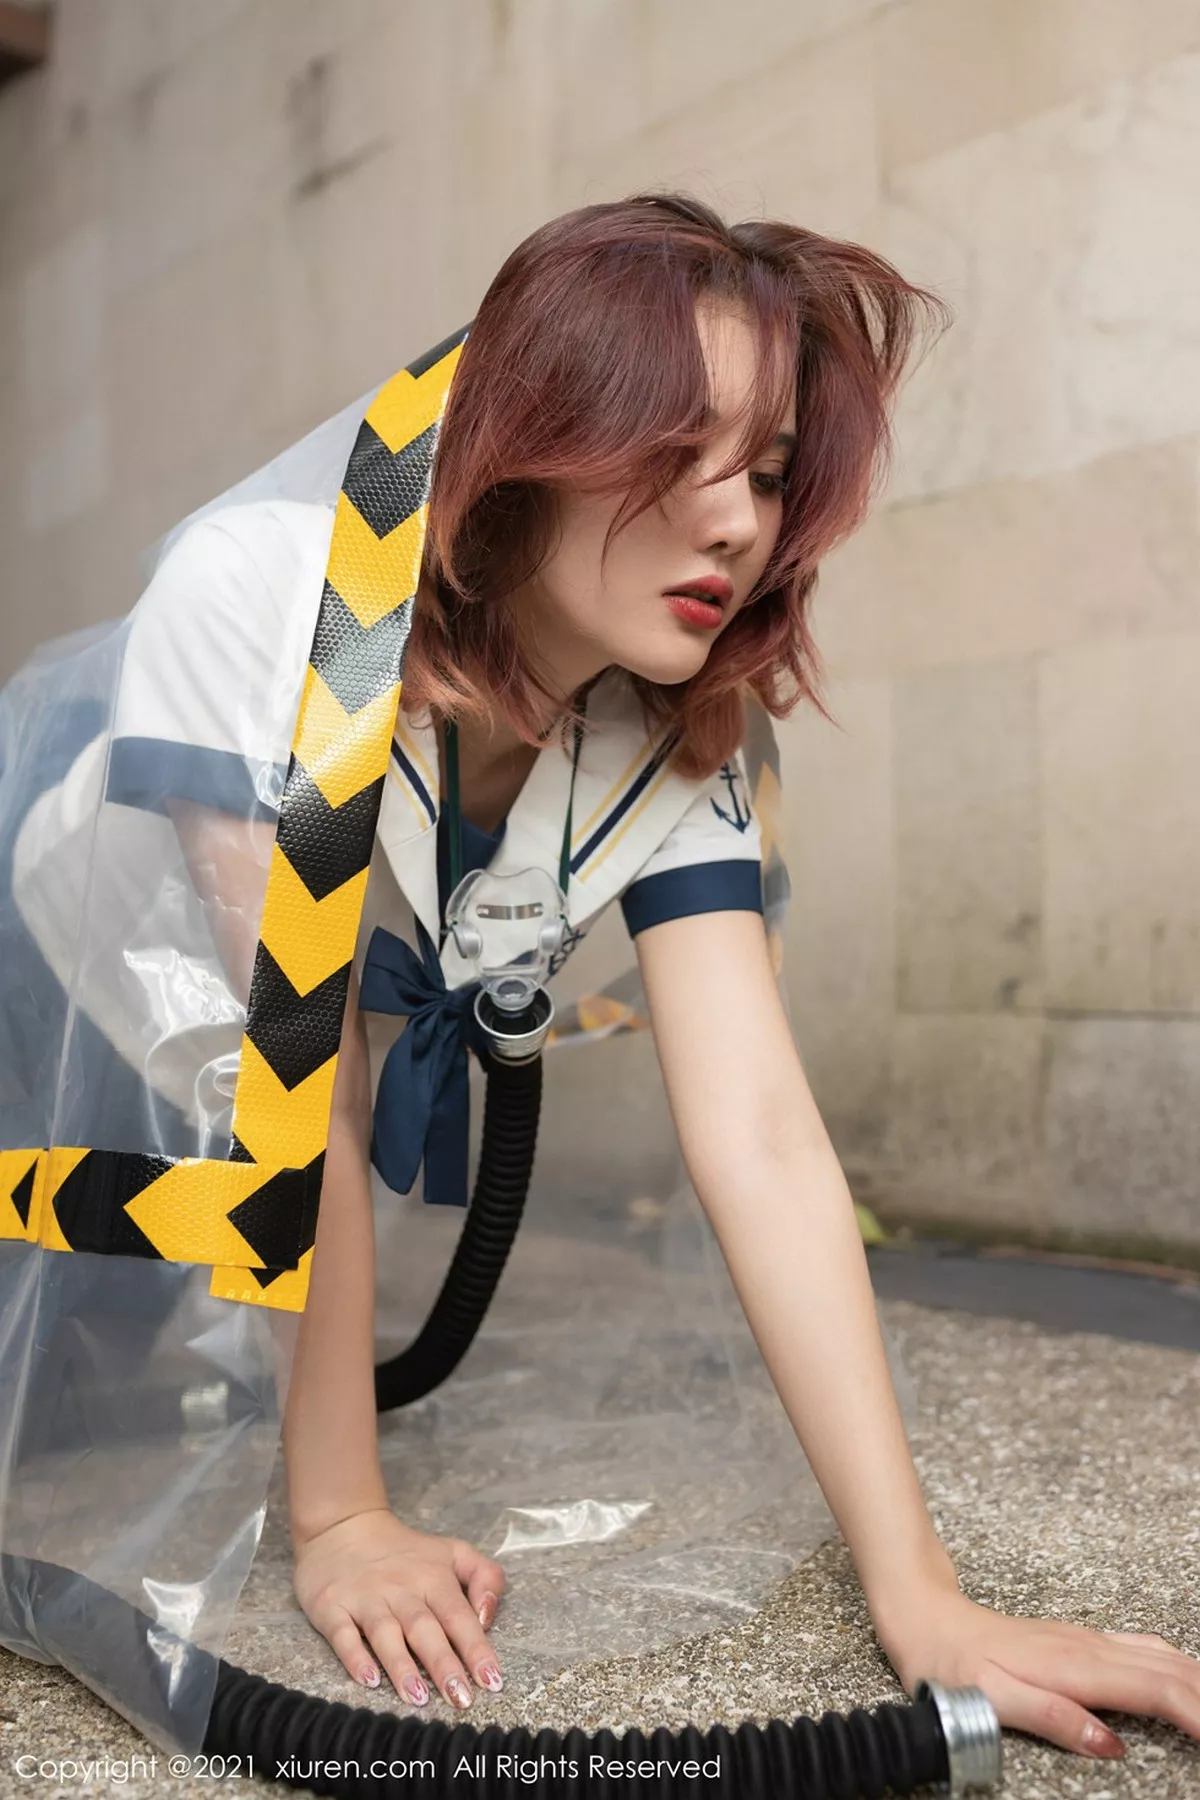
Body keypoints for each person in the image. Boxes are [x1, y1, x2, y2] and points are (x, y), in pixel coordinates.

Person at [14, 193, 1199, 1761]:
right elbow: (300, 1082)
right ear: (534, 439)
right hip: (47, 1000)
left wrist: (930, 1604)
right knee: (56, 1404)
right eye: (680, 450)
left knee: (114, 1392)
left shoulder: (677, 722)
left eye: (768, 474)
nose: (739, 524)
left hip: (247, 1098)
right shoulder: (266, 597)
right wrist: (342, 1516)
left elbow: (759, 1134)